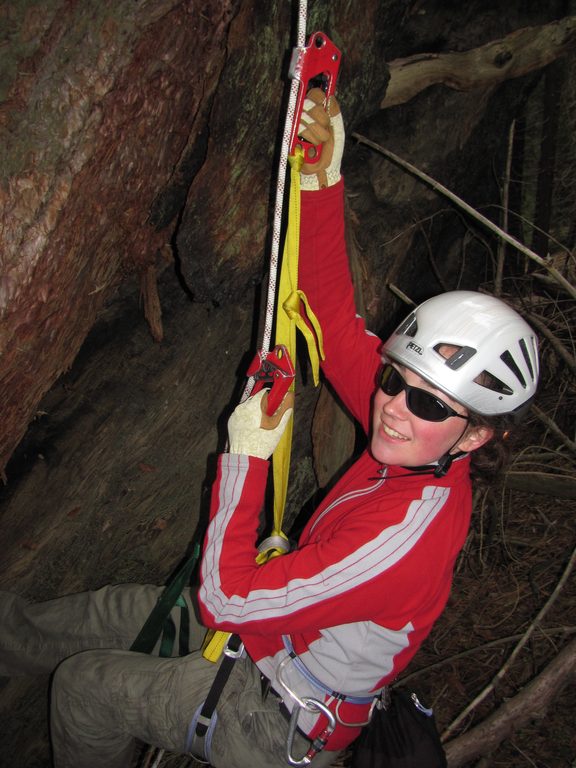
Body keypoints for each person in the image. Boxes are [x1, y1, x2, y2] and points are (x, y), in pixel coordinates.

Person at [0, 92, 538, 768]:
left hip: (275, 716)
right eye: (395, 380)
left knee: (86, 689)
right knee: (108, 614)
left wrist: (247, 457)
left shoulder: (404, 540)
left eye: (429, 406)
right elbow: (330, 319)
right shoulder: (417, 437)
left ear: (477, 437)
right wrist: (322, 179)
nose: (394, 406)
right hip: (274, 635)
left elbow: (226, 601)